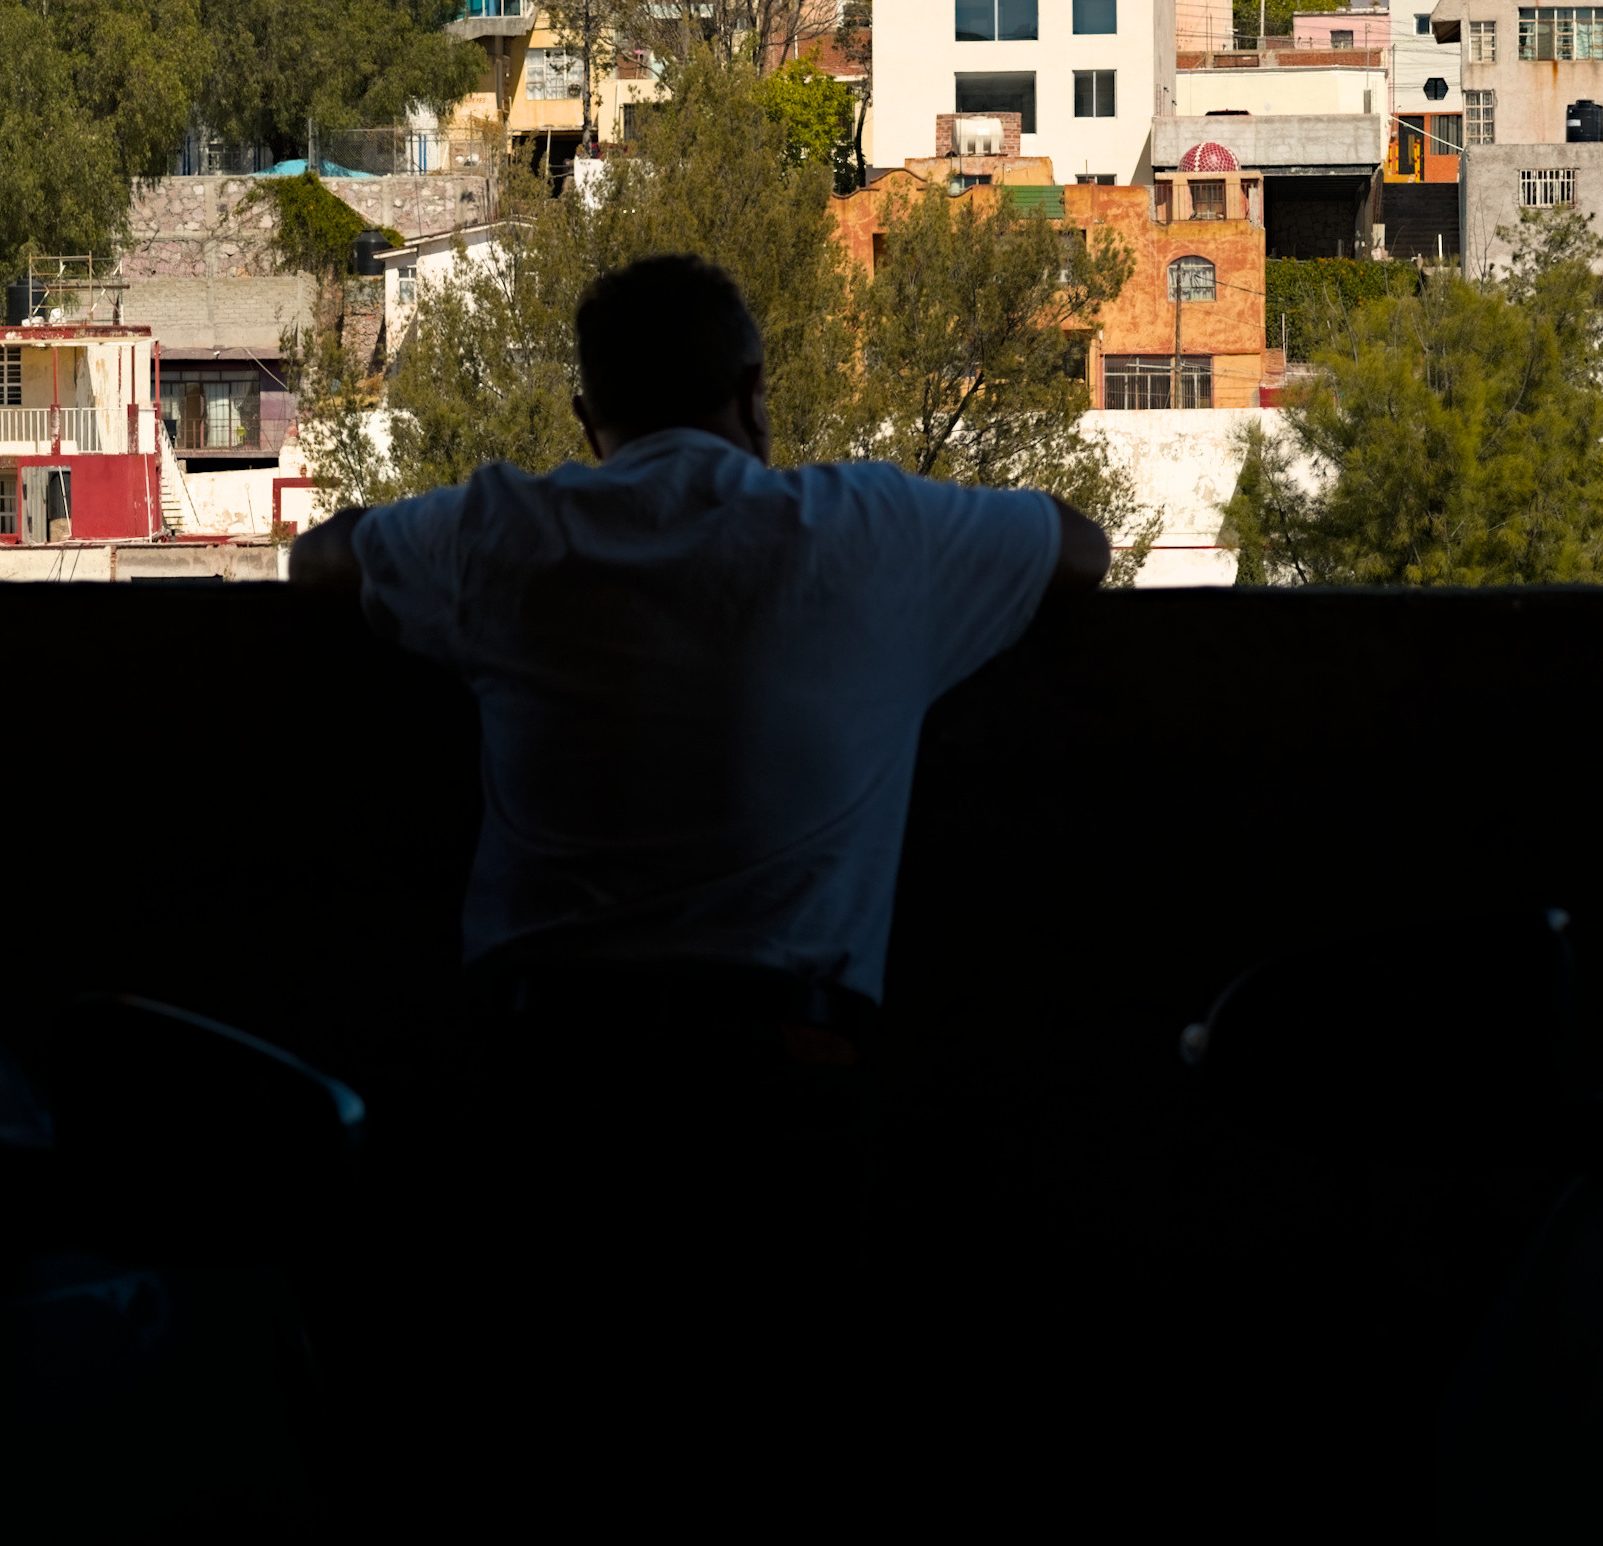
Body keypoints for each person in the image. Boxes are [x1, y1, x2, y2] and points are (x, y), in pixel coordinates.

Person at [289, 252, 1104, 1487]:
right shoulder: (873, 530)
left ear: (587, 415)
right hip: (788, 1075)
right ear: (757, 394)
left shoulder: (506, 533)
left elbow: (324, 561)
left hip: (551, 1073)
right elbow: (1079, 549)